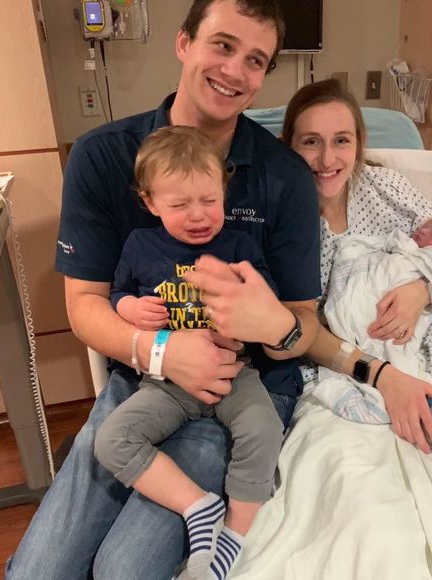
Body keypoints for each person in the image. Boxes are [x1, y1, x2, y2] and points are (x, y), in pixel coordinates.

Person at [6, 2, 323, 579]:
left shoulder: (284, 178)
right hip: (144, 382)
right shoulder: (103, 157)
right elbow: (85, 304)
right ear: (183, 43)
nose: (235, 70)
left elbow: (302, 322)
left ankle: (227, 533)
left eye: (256, 60)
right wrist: (160, 351)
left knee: (124, 569)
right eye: (222, 45)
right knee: (38, 573)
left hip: (239, 384)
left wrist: (267, 323)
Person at [94, 125, 292, 579]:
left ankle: (235, 534)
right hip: (165, 383)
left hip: (231, 374)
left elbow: (268, 302)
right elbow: (117, 293)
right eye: (180, 205)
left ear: (224, 192)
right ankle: (198, 507)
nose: (199, 215)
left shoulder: (239, 246)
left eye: (209, 200)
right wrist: (131, 308)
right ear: (150, 202)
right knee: (111, 440)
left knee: (265, 429)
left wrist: (243, 312)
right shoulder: (140, 245)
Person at [278, 78, 432, 453]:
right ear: (287, 147)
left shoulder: (386, 186)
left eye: (341, 140)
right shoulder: (282, 216)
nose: (327, 159)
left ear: (359, 143)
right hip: (342, 365)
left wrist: (421, 290)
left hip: (427, 344)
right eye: (311, 142)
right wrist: (383, 376)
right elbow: (293, 329)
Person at [312, 215, 432, 425]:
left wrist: (424, 289)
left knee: (398, 354)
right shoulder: (395, 245)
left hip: (394, 331)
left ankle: (389, 394)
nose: (423, 231)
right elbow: (363, 251)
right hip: (346, 320)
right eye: (425, 227)